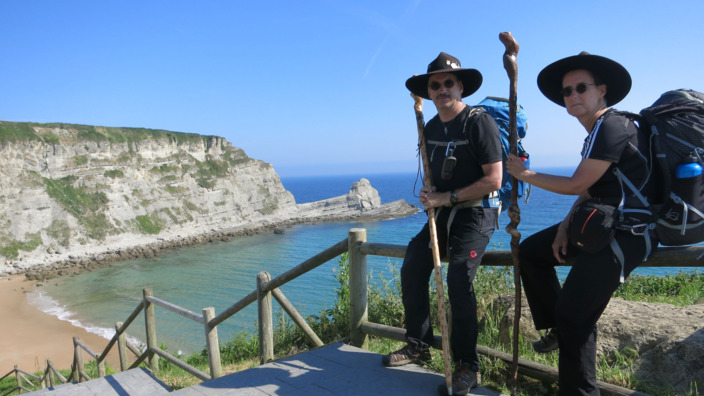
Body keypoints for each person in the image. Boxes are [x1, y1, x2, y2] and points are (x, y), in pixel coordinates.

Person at [505, 52, 658, 395]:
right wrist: (563, 227)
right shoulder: (598, 130)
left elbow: (575, 183)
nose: (572, 95)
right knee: (532, 252)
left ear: (601, 90)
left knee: (575, 316)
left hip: (629, 232)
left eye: (581, 88)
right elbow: (592, 187)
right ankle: (557, 328)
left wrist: (524, 174)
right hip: (602, 223)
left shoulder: (612, 125)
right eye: (566, 91)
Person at [381, 52, 503, 395]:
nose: (442, 89)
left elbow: (494, 180)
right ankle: (418, 344)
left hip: (477, 212)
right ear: (430, 91)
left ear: (460, 87)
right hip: (444, 212)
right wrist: (430, 193)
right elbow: (436, 177)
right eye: (435, 85)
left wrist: (445, 198)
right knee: (413, 266)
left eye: (449, 83)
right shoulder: (432, 127)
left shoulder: (479, 122)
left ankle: (468, 365)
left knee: (459, 277)